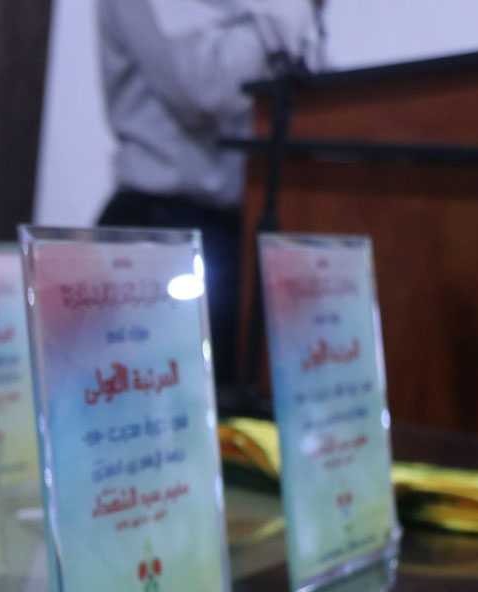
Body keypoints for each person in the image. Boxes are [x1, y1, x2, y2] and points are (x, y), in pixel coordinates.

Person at [98, 0, 326, 387]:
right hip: (165, 232)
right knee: (169, 411)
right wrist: (288, 12)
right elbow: (204, 87)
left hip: (256, 227)